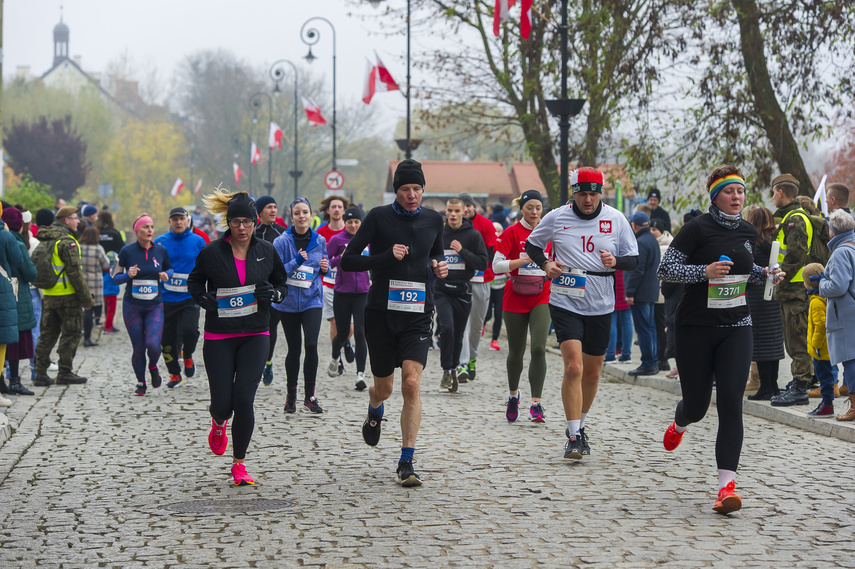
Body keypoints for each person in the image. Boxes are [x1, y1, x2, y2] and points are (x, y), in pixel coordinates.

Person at [657, 164, 784, 514]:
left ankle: (726, 487)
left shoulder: (746, 230)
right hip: (696, 329)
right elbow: (666, 270)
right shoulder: (695, 229)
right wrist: (705, 272)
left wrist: (767, 274)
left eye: (741, 191)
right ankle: (681, 421)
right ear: (715, 196)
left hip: (737, 327)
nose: (737, 197)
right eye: (729, 191)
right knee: (697, 406)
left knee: (731, 403)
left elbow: (746, 272)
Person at [340, 158, 447, 486]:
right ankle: (374, 407)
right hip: (381, 314)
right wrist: (386, 257)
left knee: (411, 383)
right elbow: (348, 262)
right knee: (385, 388)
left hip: (418, 313)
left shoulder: (433, 220)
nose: (412, 194)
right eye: (405, 189)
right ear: (396, 190)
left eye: (417, 188)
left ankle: (406, 460)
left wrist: (439, 268)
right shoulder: (377, 217)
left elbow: (436, 257)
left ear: (423, 189)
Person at [526, 168, 639, 459]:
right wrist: (546, 264)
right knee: (574, 367)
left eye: (593, 193)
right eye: (582, 194)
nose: (588, 200)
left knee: (592, 371)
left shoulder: (615, 218)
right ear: (574, 193)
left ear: (601, 193)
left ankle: (581, 424)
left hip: (601, 301)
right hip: (565, 299)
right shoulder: (558, 216)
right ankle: (573, 434)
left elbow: (633, 259)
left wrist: (616, 260)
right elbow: (532, 244)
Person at [188, 189, 288, 486]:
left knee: (244, 399)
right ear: (227, 224)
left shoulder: (267, 251)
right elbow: (195, 281)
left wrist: (275, 293)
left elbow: (280, 283)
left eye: (246, 222)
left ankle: (239, 464)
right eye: (235, 222)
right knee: (223, 404)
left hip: (256, 332)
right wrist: (201, 297)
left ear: (256, 222)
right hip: (220, 335)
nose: (241, 228)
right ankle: (218, 422)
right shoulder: (211, 252)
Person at [493, 190, 553, 423]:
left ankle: (536, 403)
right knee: (516, 352)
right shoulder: (511, 232)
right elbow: (496, 265)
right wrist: (524, 260)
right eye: (530, 208)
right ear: (522, 209)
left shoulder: (550, 232)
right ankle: (513, 396)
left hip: (542, 294)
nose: (535, 212)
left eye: (538, 207)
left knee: (538, 347)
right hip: (515, 295)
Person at [272, 197, 329, 414]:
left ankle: (310, 396)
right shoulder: (281, 242)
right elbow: (275, 272)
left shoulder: (320, 240)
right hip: (287, 303)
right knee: (294, 349)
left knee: (312, 345)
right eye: (297, 213)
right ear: (291, 216)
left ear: (311, 214)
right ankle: (291, 395)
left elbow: (325, 267)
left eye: (305, 212)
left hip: (312, 300)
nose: (302, 216)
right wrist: (296, 261)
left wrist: (325, 267)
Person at [32, 206, 94, 387]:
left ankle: (40, 374)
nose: (78, 221)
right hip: (69, 298)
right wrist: (87, 299)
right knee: (71, 334)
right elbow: (75, 275)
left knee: (47, 335)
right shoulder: (67, 242)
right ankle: (65, 372)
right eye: (75, 218)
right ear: (66, 220)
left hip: (50, 296)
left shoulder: (46, 240)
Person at [112, 214, 173, 396]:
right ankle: (141, 382)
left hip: (154, 305)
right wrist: (127, 275)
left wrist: (166, 275)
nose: (150, 230)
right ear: (137, 230)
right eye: (145, 227)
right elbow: (115, 278)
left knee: (153, 344)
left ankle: (153, 366)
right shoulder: (126, 251)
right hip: (133, 306)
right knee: (138, 347)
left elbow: (169, 268)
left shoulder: (160, 251)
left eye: (152, 227)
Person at [769, 174, 814, 406]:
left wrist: (779, 280)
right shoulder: (791, 217)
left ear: (779, 192)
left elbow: (796, 256)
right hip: (791, 289)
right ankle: (799, 384)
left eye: (773, 192)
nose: (772, 197)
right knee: (794, 340)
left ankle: (800, 388)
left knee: (798, 341)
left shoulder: (794, 219)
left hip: (794, 290)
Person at [435, 197, 488, 392]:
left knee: (458, 334)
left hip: (462, 291)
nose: (453, 214)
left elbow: (483, 263)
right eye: (450, 210)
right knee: (446, 328)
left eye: (457, 211)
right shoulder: (439, 234)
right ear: (446, 211)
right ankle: (446, 370)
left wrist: (462, 251)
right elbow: (429, 257)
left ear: (463, 212)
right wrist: (434, 265)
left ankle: (454, 367)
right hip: (441, 290)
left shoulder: (473, 235)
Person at [155, 207, 206, 388]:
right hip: (166, 299)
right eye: (174, 219)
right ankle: (174, 374)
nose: (178, 222)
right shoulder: (160, 242)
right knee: (166, 339)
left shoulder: (198, 241)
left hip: (189, 297)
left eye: (181, 219)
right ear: (169, 221)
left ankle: (188, 355)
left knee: (190, 331)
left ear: (187, 221)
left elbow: (207, 266)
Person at [817, 209, 855, 421]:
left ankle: (854, 407)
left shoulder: (841, 252)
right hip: (851, 312)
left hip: (846, 315)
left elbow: (838, 286)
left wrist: (822, 283)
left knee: (850, 361)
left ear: (832, 232)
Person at [327, 207, 371, 390]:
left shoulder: (368, 240)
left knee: (361, 332)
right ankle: (335, 356)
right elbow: (327, 264)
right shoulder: (337, 240)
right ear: (345, 222)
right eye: (350, 222)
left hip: (362, 293)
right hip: (343, 293)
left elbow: (374, 261)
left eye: (357, 222)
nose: (353, 225)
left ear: (361, 223)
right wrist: (340, 258)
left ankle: (360, 375)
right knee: (343, 333)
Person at [745, 207, 785, 400]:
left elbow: (747, 268)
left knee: (760, 343)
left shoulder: (754, 242)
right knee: (773, 343)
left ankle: (766, 387)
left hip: (756, 296)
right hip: (772, 295)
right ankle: (774, 386)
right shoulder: (773, 241)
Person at [456, 193, 497, 383]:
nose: (465, 210)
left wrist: (468, 257)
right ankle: (462, 363)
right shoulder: (454, 226)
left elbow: (488, 255)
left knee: (476, 325)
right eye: (461, 207)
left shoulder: (486, 225)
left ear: (473, 207)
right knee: (462, 323)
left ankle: (472, 358)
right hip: (461, 280)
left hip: (482, 279)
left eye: (468, 206)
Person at [1, 207, 36, 397]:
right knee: (13, 337)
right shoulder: (16, 242)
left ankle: (3, 382)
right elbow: (30, 272)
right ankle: (14, 380)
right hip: (16, 294)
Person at [253, 196, 288, 385]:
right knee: (257, 326)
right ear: (259, 212)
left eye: (275, 206)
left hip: (274, 287)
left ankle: (267, 362)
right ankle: (255, 364)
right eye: (269, 207)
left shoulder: (282, 233)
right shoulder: (253, 232)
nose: (273, 210)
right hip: (255, 288)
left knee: (271, 327)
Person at [316, 195, 350, 374]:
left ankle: (345, 341)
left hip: (350, 284)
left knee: (350, 328)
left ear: (344, 210)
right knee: (335, 323)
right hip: (328, 283)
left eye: (339, 207)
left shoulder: (352, 229)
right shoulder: (321, 233)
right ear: (328, 210)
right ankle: (338, 358)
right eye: (333, 207)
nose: (336, 209)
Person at [624, 211, 661, 376]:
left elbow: (637, 270)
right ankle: (653, 360)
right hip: (651, 291)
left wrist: (630, 291)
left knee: (644, 328)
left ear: (634, 225)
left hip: (641, 293)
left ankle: (648, 363)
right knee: (650, 328)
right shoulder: (652, 240)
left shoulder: (640, 242)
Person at [801, 263, 835, 417]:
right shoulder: (826, 296)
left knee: (824, 378)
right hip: (827, 347)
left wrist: (815, 345)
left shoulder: (815, 301)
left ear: (807, 283)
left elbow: (821, 324)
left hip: (821, 349)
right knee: (826, 376)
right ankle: (826, 403)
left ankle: (827, 405)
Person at [78, 227, 109, 347]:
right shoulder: (98, 249)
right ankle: (87, 338)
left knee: (83, 309)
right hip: (95, 283)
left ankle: (80, 333)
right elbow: (105, 265)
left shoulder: (78, 247)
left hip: (81, 282)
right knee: (90, 311)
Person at [649, 217, 673, 371]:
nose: (652, 233)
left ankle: (663, 358)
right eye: (650, 229)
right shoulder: (655, 244)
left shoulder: (666, 246)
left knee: (661, 327)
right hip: (657, 293)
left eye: (654, 230)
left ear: (661, 231)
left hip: (662, 294)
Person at [484, 221, 506, 351]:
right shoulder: (488, 245)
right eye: (495, 230)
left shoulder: (506, 244)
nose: (497, 233)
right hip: (488, 284)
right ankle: (482, 326)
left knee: (498, 314)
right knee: (486, 314)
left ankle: (494, 340)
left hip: (501, 284)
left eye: (499, 230)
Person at [604, 271, 633, 364]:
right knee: (627, 321)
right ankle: (626, 354)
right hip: (626, 285)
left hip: (613, 285)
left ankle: (610, 354)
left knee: (612, 321)